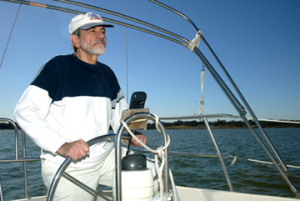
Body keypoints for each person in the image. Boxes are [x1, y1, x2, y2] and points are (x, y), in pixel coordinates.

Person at [14, 12, 150, 200]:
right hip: (69, 162)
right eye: (92, 31)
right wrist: (60, 145)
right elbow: (24, 111)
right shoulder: (57, 67)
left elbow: (119, 118)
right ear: (75, 40)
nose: (101, 35)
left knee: (154, 173)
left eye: (102, 31)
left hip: (106, 155)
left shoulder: (108, 74)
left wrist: (129, 136)